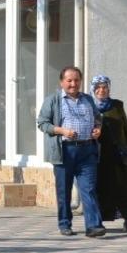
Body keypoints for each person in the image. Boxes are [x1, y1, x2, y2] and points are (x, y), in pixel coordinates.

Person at [37, 66, 105, 237]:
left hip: (87, 150)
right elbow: (42, 123)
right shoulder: (53, 100)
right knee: (64, 190)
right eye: (69, 80)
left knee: (88, 189)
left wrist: (98, 129)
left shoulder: (88, 99)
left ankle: (94, 226)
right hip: (64, 151)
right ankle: (65, 224)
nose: (73, 84)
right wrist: (62, 131)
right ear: (62, 82)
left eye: (76, 80)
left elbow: (98, 118)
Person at [91, 75, 127, 232]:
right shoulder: (88, 106)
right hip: (96, 155)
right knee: (98, 187)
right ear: (93, 89)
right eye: (98, 87)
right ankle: (96, 222)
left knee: (122, 187)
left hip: (117, 156)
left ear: (109, 88)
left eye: (104, 87)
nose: (101, 90)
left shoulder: (117, 106)